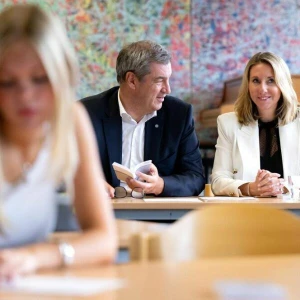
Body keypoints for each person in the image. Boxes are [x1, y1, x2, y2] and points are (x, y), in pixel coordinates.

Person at [0, 4, 117, 279]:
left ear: (62, 75)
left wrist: (36, 257)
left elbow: (104, 239)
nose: (26, 97)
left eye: (40, 79)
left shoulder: (70, 120)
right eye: (7, 83)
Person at [81, 40, 205, 197]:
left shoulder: (179, 114)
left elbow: (195, 177)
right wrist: (90, 182)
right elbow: (62, 168)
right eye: (159, 80)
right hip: (107, 213)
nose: (167, 89)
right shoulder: (86, 113)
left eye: (168, 79)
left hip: (159, 216)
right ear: (132, 80)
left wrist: (160, 185)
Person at [211, 52, 299, 197]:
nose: (262, 89)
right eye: (256, 81)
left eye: (271, 80)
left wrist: (279, 186)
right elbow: (218, 181)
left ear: (282, 84)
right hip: (247, 214)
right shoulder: (228, 123)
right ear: (248, 85)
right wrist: (250, 188)